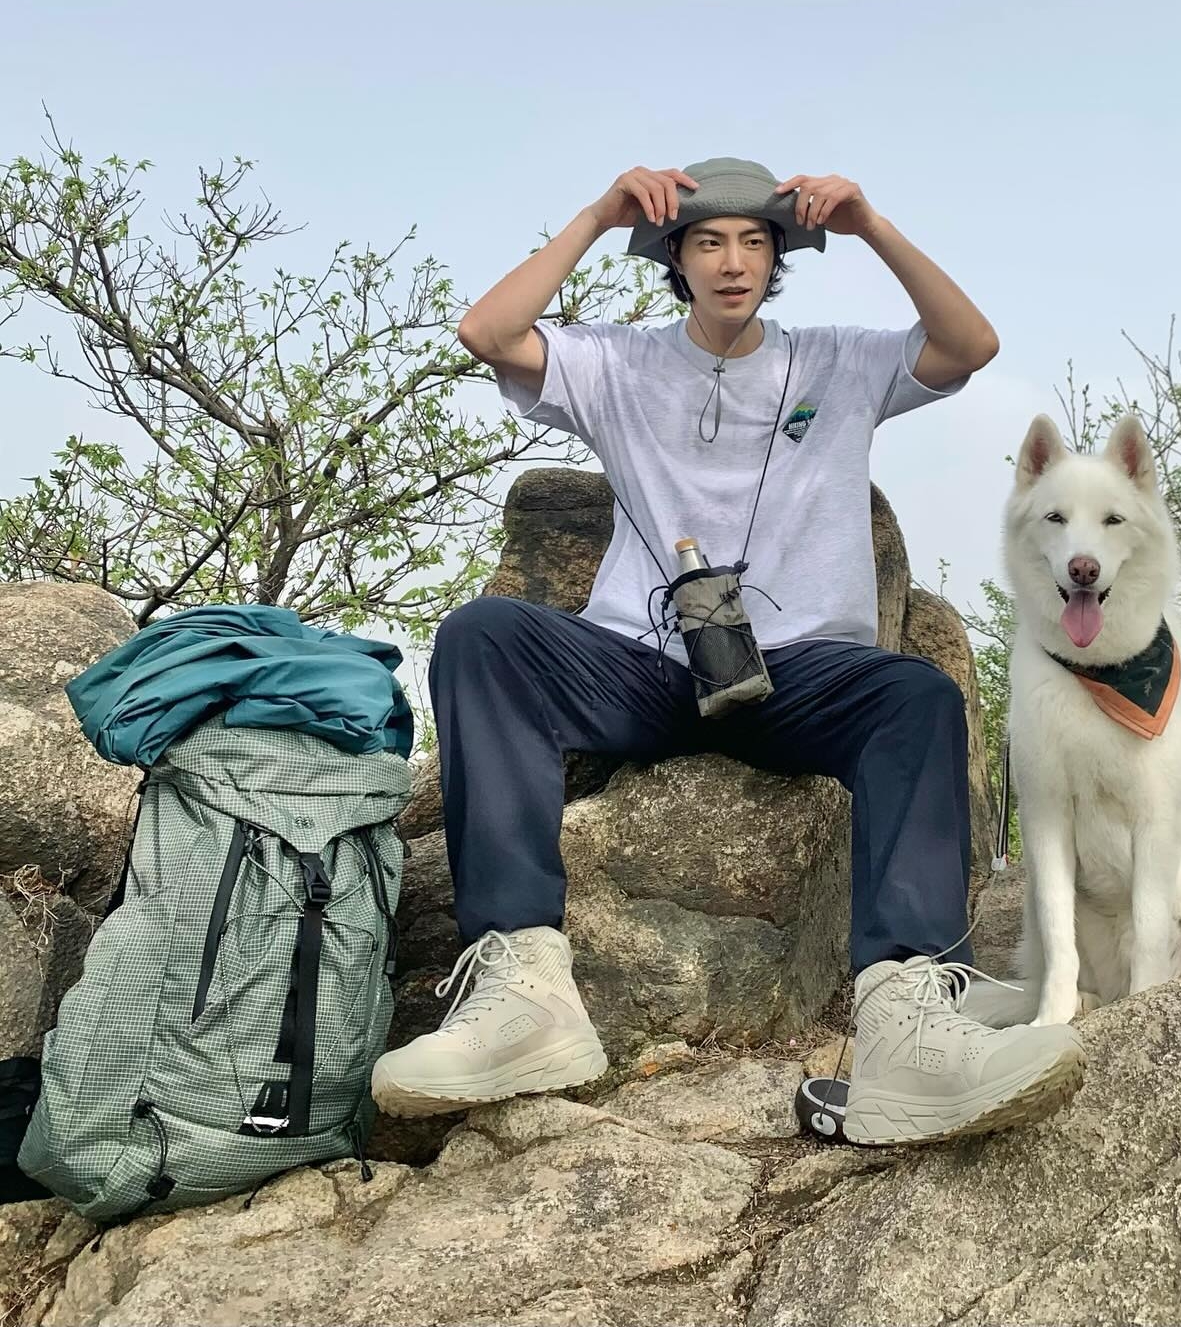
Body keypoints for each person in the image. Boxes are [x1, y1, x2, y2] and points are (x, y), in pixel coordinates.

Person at [371, 158, 1085, 1145]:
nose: (733, 261)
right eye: (708, 241)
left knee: (915, 696)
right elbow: (487, 333)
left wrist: (871, 224)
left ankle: (907, 1029)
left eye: (755, 240)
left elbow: (971, 345)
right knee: (482, 635)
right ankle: (525, 995)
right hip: (647, 664)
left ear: (780, 256)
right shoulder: (617, 365)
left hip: (799, 672)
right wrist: (598, 214)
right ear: (675, 257)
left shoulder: (837, 364)